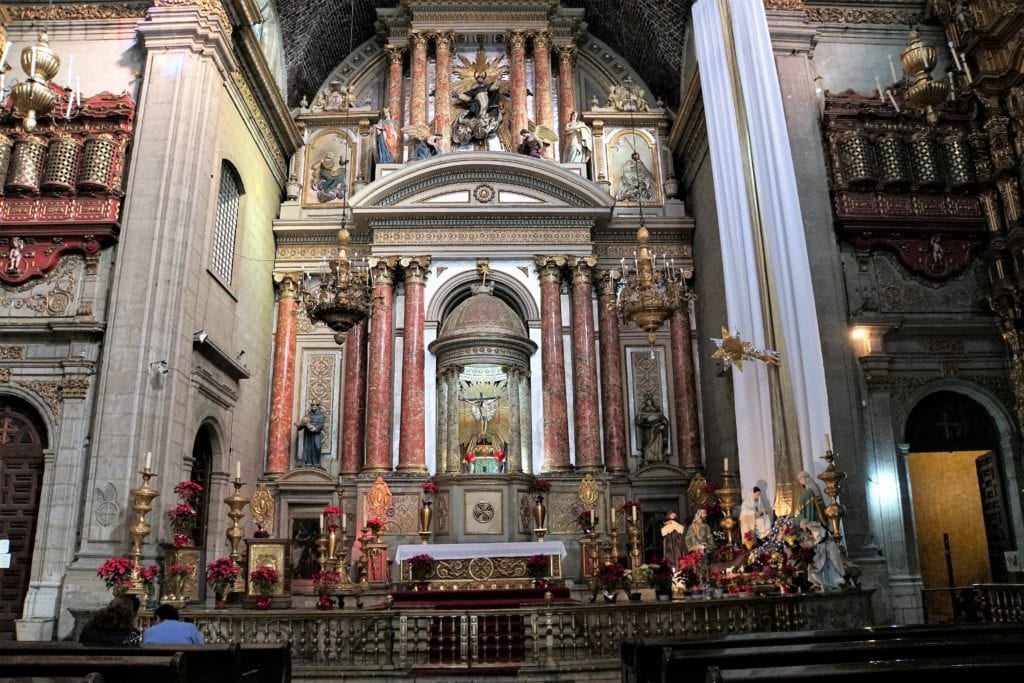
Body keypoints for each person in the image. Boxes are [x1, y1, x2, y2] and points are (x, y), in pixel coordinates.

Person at [801, 520, 846, 591]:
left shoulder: (811, 526)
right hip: (822, 549)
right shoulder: (812, 529)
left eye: (803, 528)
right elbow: (816, 540)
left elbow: (820, 538)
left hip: (826, 550)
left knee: (825, 565)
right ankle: (819, 583)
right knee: (815, 566)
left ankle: (828, 582)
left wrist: (813, 543)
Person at [635, 393, 668, 464]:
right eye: (647, 400)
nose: (648, 402)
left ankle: (658, 458)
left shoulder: (657, 410)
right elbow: (639, 421)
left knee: (658, 444)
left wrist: (663, 425)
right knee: (648, 443)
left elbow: (663, 419)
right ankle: (647, 458)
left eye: (649, 400)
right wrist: (639, 420)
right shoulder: (643, 410)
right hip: (648, 429)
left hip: (658, 429)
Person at [297, 400, 325, 467]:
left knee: (317, 447)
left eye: (315, 405)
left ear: (318, 406)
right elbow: (301, 425)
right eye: (312, 405)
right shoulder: (307, 415)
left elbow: (321, 425)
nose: (314, 407)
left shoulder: (321, 415)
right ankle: (309, 462)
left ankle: (316, 462)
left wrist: (315, 428)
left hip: (316, 434)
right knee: (308, 448)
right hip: (308, 434)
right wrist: (301, 425)